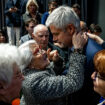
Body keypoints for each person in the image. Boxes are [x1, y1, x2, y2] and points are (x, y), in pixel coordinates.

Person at [46, 5, 104, 105]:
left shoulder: (95, 55)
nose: (54, 39)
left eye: (56, 34)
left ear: (70, 29)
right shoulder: (72, 46)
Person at [19, 32, 87, 105]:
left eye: (41, 49)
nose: (44, 52)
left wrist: (56, 61)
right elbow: (73, 82)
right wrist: (77, 50)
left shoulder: (34, 70)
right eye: (37, 52)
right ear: (29, 64)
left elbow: (50, 71)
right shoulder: (35, 82)